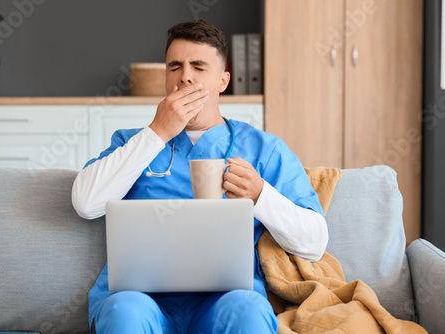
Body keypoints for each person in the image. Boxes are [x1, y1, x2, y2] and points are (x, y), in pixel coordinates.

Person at [72, 19, 328, 334]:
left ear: (223, 80)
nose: (185, 77)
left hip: (224, 302)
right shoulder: (133, 142)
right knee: (124, 311)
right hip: (140, 301)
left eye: (198, 66)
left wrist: (261, 196)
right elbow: (85, 203)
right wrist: (158, 132)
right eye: (175, 67)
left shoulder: (264, 149)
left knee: (249, 311)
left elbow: (315, 242)